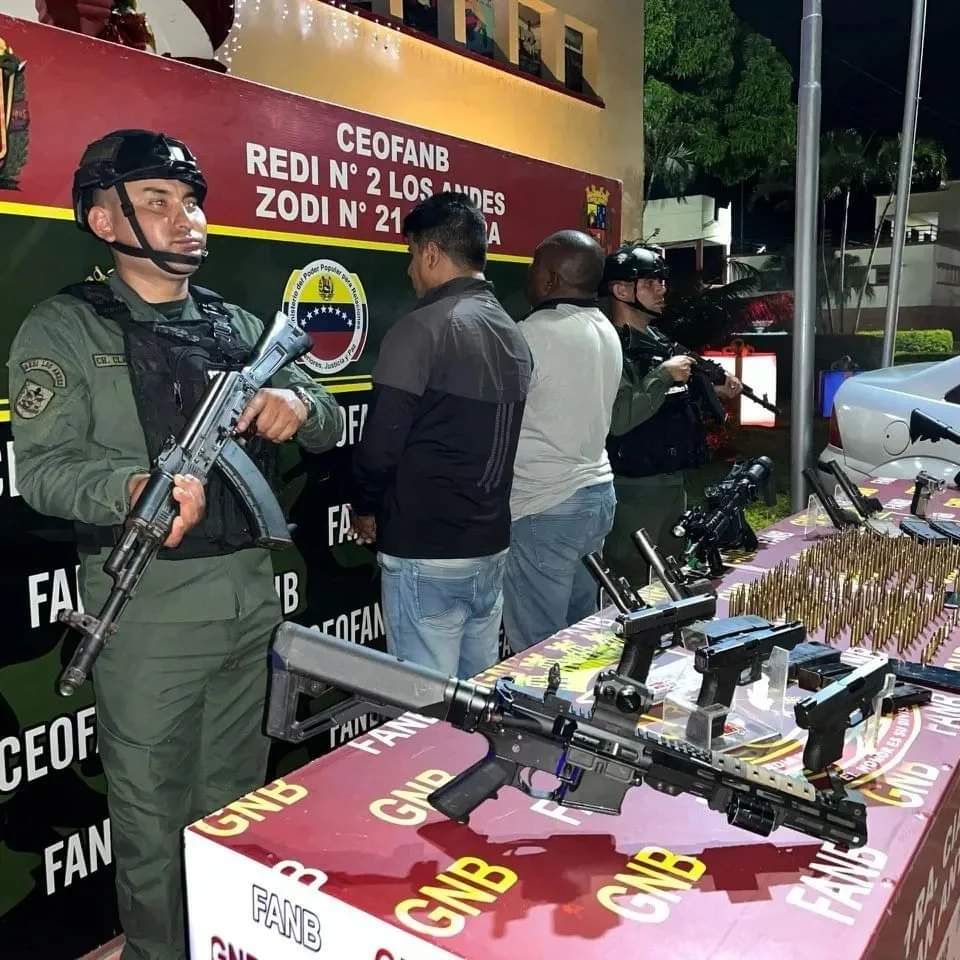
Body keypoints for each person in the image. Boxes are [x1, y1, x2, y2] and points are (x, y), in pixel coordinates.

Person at [6, 129, 342, 960]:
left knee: (232, 804)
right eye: (157, 201)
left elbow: (326, 416)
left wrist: (299, 407)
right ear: (102, 217)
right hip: (148, 610)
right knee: (153, 821)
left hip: (247, 596)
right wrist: (130, 487)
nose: (185, 218)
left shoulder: (233, 322)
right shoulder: (65, 327)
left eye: (190, 201)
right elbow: (43, 471)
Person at [350, 191, 532, 679]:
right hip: (489, 547)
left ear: (430, 253)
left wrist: (366, 508)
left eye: (411, 255)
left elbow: (381, 444)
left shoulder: (421, 329)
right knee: (477, 701)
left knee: (424, 709)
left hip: (426, 551)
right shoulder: (514, 333)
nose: (410, 270)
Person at [502, 230, 622, 652]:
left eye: (534, 265)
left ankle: (539, 717)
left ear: (551, 279)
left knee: (538, 648)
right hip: (595, 494)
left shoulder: (533, 333)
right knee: (581, 634)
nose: (528, 274)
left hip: (544, 505)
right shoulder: (605, 328)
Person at [602, 243, 741, 585]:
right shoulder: (612, 345)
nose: (662, 289)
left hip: (672, 483)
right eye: (650, 282)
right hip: (634, 490)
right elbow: (619, 419)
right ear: (621, 289)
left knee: (672, 579)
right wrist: (664, 375)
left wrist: (711, 388)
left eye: (662, 281)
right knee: (630, 581)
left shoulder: (658, 339)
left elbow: (673, 398)